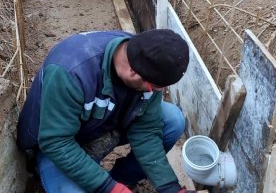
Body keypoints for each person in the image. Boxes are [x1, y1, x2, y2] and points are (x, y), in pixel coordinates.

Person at [17, 29, 197, 193]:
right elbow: (55, 141)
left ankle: (120, 179)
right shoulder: (70, 72)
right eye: (156, 86)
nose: (158, 91)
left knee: (173, 120)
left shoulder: (148, 61)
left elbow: (146, 131)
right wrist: (107, 188)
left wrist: (170, 188)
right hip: (58, 144)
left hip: (101, 126)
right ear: (133, 73)